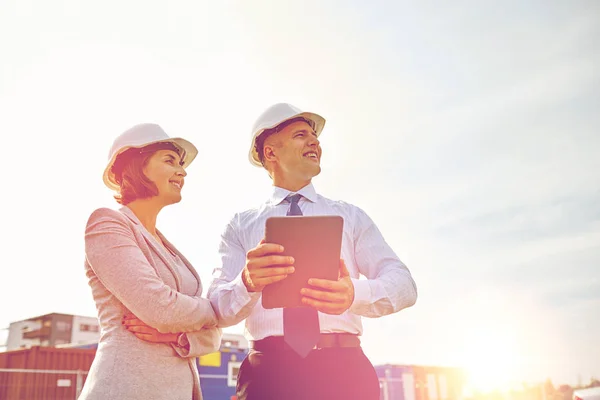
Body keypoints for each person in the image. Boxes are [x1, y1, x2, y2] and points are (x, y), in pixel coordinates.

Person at [207, 103, 418, 400]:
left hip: (344, 374)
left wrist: (353, 293)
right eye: (300, 135)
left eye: (314, 137)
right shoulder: (240, 225)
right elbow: (216, 307)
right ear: (271, 153)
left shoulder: (351, 217)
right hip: (267, 377)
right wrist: (247, 282)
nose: (314, 142)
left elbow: (405, 286)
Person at [79, 123, 221, 400]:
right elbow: (160, 308)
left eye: (181, 164)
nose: (182, 171)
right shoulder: (107, 223)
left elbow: (214, 337)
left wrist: (180, 337)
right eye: (170, 161)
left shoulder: (166, 244)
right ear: (136, 167)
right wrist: (215, 311)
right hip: (126, 388)